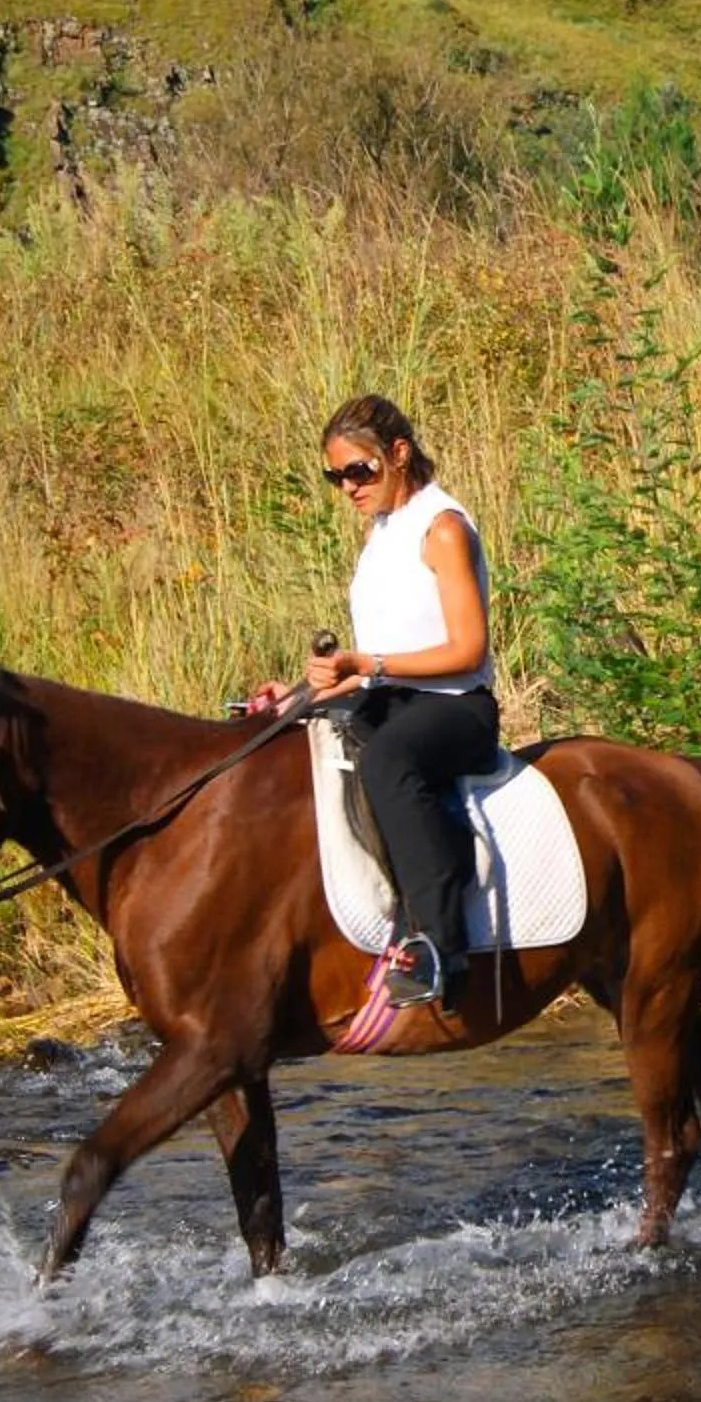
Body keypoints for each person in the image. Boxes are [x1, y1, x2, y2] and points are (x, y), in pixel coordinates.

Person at [249, 395, 499, 1008]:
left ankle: (439, 944)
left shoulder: (442, 528)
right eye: (336, 477)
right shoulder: (382, 531)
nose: (348, 487)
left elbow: (467, 650)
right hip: (394, 697)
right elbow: (382, 655)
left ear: (399, 454)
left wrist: (369, 666)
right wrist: (304, 691)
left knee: (389, 760)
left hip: (457, 708)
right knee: (291, 735)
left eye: (359, 471)